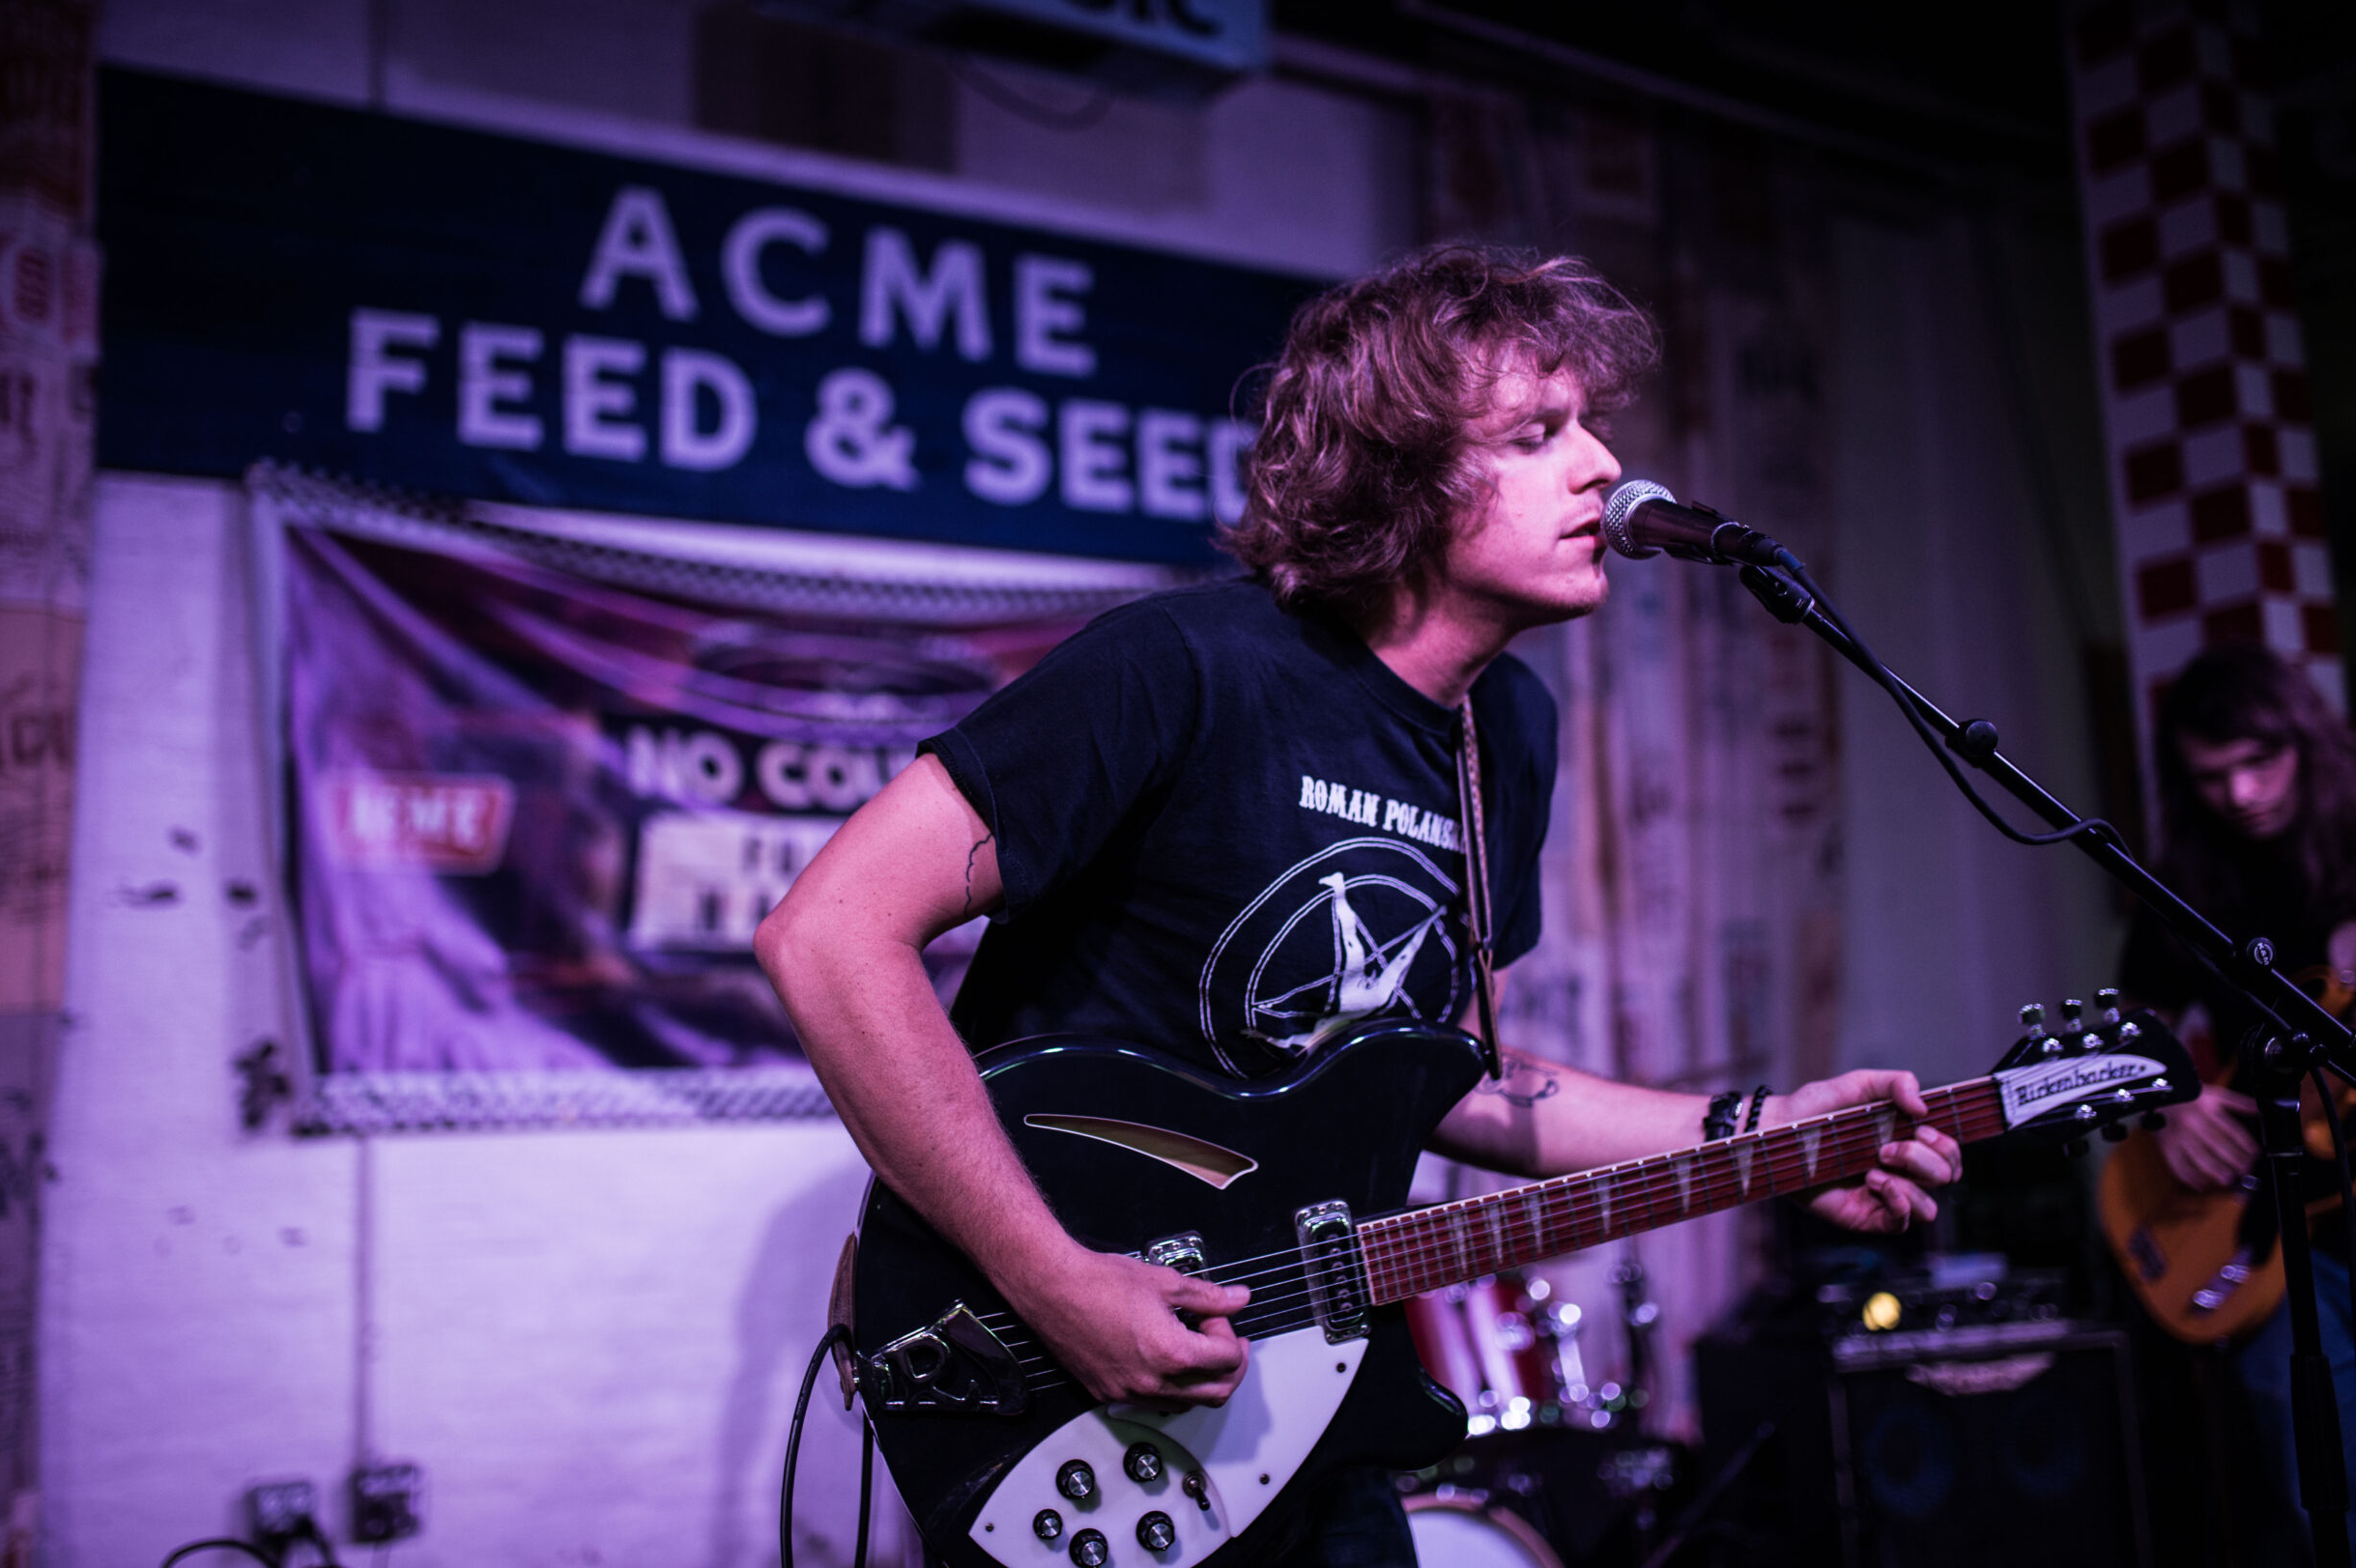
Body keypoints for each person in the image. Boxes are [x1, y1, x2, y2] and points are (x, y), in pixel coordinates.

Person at [756, 244, 1963, 1565]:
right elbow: (826, 933)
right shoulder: (1181, 667)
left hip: (1305, 1401)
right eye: (1537, 433)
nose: (1605, 465)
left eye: (1589, 425)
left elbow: (1447, 1078)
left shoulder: (1507, 729)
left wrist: (1766, 1131)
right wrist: (1055, 1278)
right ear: (1397, 472)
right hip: (1060, 1377)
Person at [2116, 641, 2356, 1562]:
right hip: (2273, 1226)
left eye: (2261, 762)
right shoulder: (2189, 873)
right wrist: (2173, 1102)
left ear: (2304, 740)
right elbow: (2136, 1009)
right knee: (2311, 1477)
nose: (2242, 793)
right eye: (2213, 776)